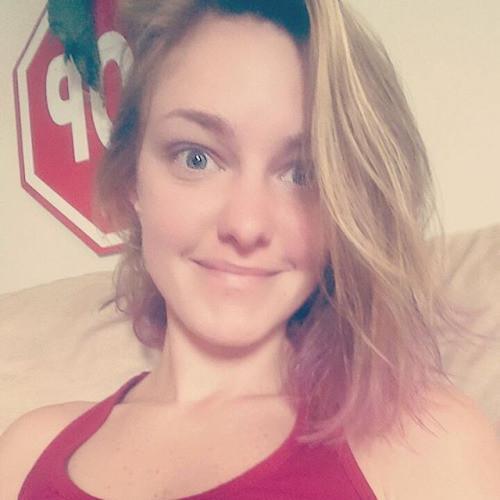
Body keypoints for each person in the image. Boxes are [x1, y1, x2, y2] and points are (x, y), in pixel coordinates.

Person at [1, 0, 499, 498]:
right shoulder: (26, 454)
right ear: (133, 177)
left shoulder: (427, 442)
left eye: (302, 173)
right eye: (196, 158)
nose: (245, 224)